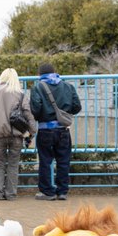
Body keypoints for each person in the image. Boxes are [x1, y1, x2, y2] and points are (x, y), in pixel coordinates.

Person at [0, 68, 35, 201]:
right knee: (13, 165)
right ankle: (11, 194)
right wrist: (32, 132)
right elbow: (28, 113)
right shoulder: (20, 93)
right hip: (16, 135)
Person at [30, 62, 81, 201]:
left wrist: (42, 116)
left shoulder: (38, 87)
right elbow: (77, 107)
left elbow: (35, 109)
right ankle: (62, 191)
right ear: (54, 72)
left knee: (45, 161)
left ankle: (48, 192)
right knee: (63, 161)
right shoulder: (68, 86)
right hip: (63, 130)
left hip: (45, 129)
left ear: (39, 74)